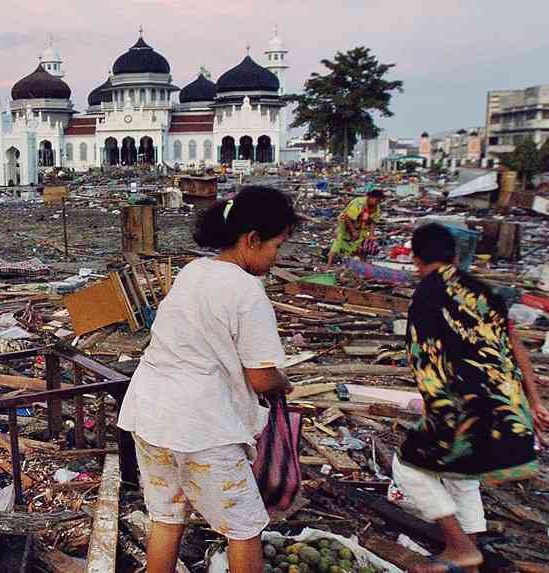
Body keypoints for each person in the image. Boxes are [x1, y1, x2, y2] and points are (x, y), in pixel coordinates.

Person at [117, 186, 299, 573]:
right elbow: (262, 377)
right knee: (244, 527)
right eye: (277, 246)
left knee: (166, 516)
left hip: (149, 413)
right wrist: (283, 382)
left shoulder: (194, 271)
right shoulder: (247, 290)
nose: (276, 256)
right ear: (252, 240)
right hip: (202, 425)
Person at [393, 223, 549, 573]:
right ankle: (473, 556)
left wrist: (440, 413)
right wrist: (535, 403)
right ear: (453, 255)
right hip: (512, 416)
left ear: (417, 260)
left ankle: (460, 546)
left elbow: (427, 361)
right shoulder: (484, 291)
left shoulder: (427, 295)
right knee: (461, 475)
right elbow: (515, 346)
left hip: (468, 413)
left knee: (407, 468)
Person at [326, 188, 384, 268]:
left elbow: (373, 222)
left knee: (361, 245)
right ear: (370, 197)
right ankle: (328, 266)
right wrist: (353, 231)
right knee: (339, 243)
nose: (377, 203)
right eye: (376, 200)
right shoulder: (358, 203)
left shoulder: (376, 208)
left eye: (379, 201)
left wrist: (371, 235)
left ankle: (362, 266)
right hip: (346, 223)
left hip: (361, 226)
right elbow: (347, 217)